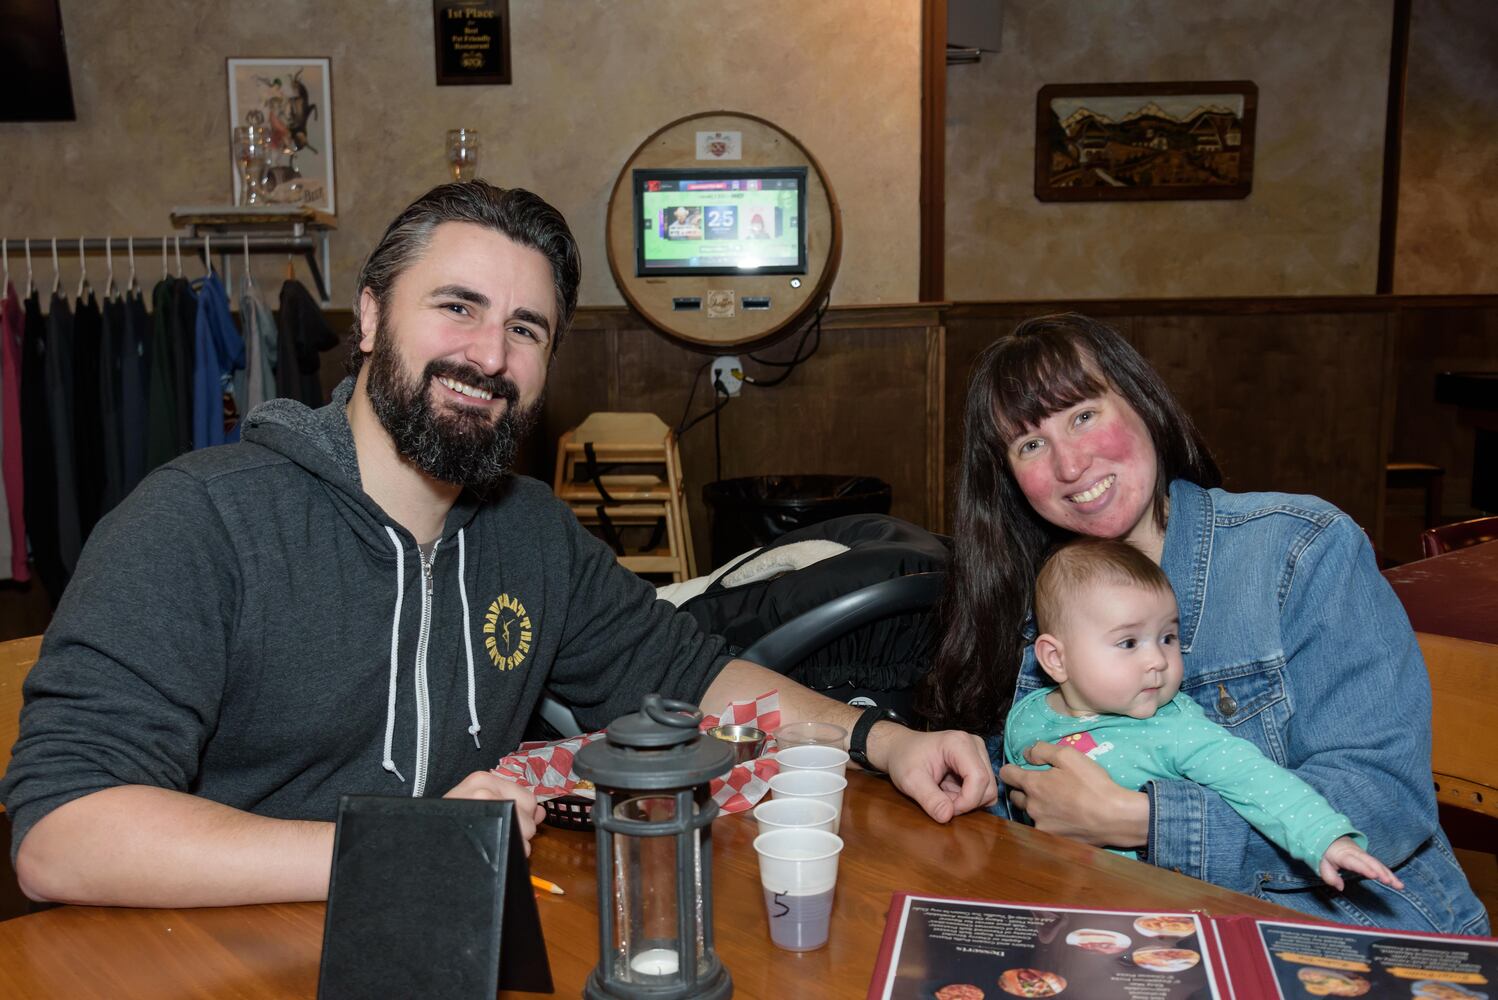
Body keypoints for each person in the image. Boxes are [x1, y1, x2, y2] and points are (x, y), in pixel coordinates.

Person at [0, 181, 996, 909]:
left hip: (442, 940)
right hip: (206, 958)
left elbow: (693, 676)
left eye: (526, 329)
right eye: (457, 307)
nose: (489, 355)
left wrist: (881, 737)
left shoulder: (529, 533)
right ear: (373, 317)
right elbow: (63, 831)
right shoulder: (198, 521)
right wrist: (400, 850)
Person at [918, 312, 1486, 934]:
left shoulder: (1300, 550)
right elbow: (1031, 796)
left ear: (1142, 402)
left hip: (1343, 934)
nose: (1070, 464)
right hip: (1137, 932)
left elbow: (1386, 805)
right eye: (1030, 444)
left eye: (1083, 415)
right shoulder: (1031, 598)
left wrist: (1142, 821)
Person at [1006, 537, 1401, 893]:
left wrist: (1324, 838)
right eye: (1128, 642)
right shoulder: (1028, 714)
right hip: (1050, 894)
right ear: (1055, 659)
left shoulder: (1176, 728)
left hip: (1153, 910)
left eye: (1168, 637)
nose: (1157, 660)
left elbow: (1256, 780)